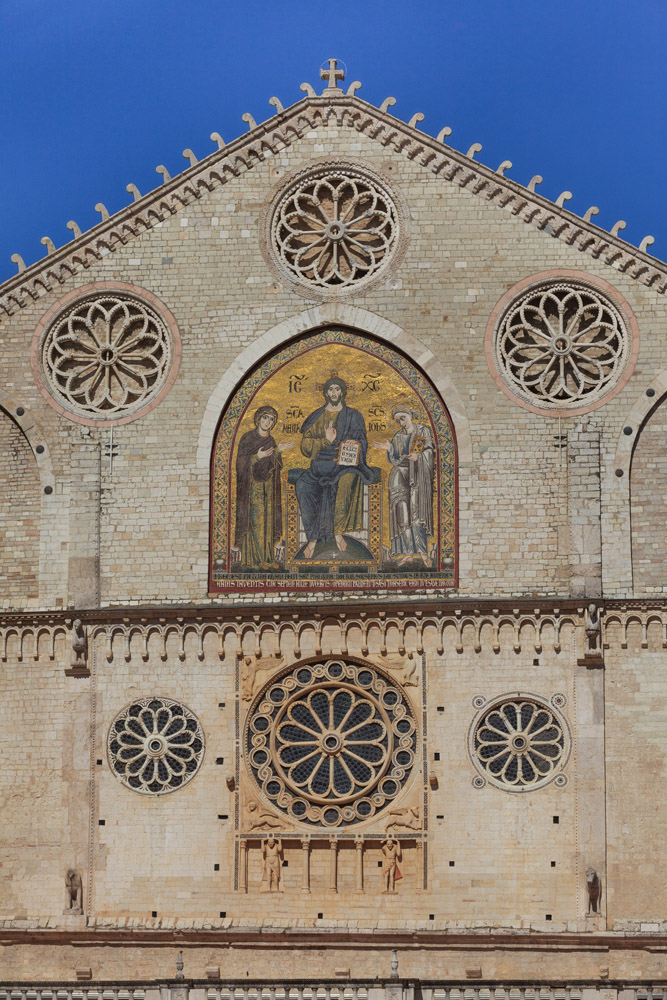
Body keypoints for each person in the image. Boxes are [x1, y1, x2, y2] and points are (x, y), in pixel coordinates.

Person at [295, 377, 374, 558]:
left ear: (342, 392)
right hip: (320, 466)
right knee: (302, 485)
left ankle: (338, 533)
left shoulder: (354, 416)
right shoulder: (317, 416)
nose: (333, 393)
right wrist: (325, 441)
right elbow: (305, 446)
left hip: (344, 465)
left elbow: (362, 441)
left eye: (337, 389)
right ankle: (312, 538)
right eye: (330, 390)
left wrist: (356, 444)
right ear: (325, 393)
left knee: (346, 482)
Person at [374, 403, 435, 567]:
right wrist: (389, 449)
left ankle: (423, 554)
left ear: (410, 416)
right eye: (397, 420)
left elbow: (429, 452)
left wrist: (419, 456)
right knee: (403, 516)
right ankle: (408, 553)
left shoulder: (422, 431)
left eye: (403, 418)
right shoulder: (398, 437)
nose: (401, 423)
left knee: (416, 516)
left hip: (417, 476)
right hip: (399, 476)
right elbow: (395, 460)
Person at [233, 406, 292, 569]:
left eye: (271, 419)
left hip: (269, 486)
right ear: (258, 418)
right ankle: (253, 560)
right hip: (252, 487)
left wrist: (279, 451)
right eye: (265, 418)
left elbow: (272, 463)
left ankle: (267, 558)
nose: (268, 422)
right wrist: (255, 457)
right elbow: (240, 464)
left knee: (268, 521)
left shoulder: (271, 440)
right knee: (256, 521)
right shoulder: (247, 438)